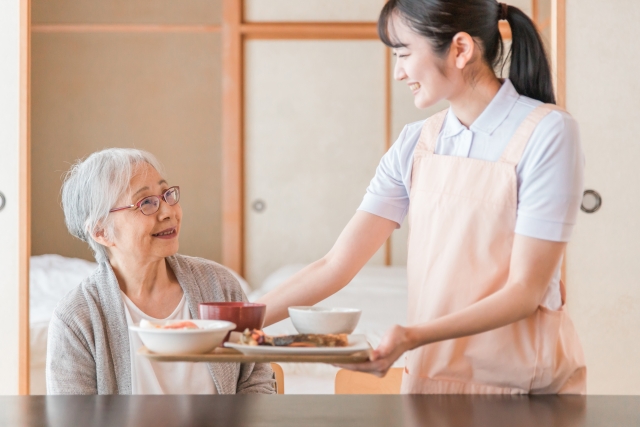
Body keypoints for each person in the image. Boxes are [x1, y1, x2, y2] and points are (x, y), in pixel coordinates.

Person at [258, 0, 586, 394]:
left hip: (521, 387)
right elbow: (335, 265)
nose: (398, 72)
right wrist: (239, 322)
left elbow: (525, 291)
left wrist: (412, 335)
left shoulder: (548, 132)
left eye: (404, 52)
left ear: (461, 49)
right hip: (429, 381)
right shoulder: (415, 143)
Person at [47, 148, 274, 395]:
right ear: (101, 231)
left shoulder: (219, 285)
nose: (168, 212)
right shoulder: (76, 320)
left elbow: (256, 380)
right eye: (146, 203)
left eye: (166, 194)